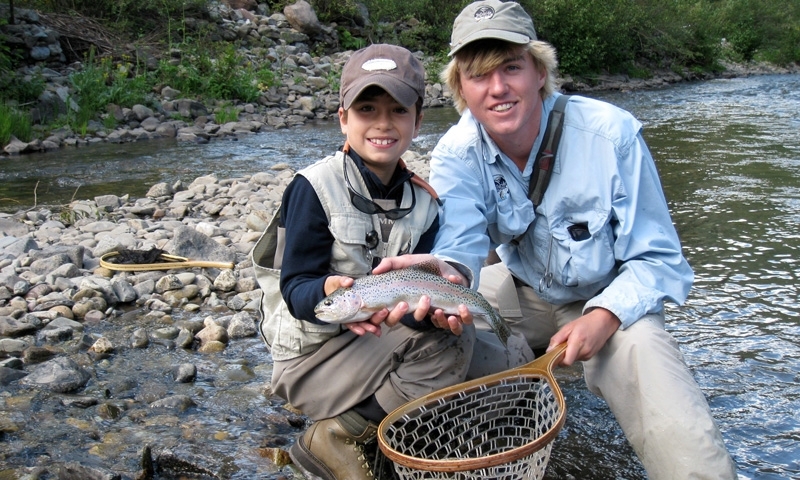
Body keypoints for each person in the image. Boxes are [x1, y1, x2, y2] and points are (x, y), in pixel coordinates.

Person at [374, 1, 738, 478]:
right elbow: (460, 249)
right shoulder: (456, 153)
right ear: (460, 88)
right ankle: (373, 438)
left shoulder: (612, 135)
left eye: (511, 68)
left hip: (610, 299)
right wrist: (444, 276)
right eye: (479, 75)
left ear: (539, 72)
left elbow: (661, 261)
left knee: (662, 395)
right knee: (429, 335)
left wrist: (604, 317)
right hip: (519, 291)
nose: (498, 88)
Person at [251, 43, 475, 480]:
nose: (383, 124)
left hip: (378, 345)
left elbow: (412, 308)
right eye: (367, 108)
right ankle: (342, 434)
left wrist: (429, 317)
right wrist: (326, 291)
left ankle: (403, 427)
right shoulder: (312, 188)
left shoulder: (425, 204)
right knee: (450, 350)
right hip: (311, 363)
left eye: (398, 110)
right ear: (343, 118)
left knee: (503, 355)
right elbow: (296, 289)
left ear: (418, 121)